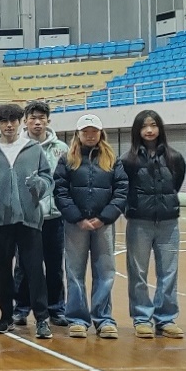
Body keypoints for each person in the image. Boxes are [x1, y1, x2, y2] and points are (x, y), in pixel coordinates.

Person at [0, 104, 53, 338]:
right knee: (3, 271)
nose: (9, 125)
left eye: (13, 121)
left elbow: (47, 178)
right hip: (0, 220)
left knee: (35, 271)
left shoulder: (33, 148)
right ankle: (6, 317)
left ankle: (42, 319)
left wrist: (39, 185)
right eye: (3, 121)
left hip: (30, 220)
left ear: (20, 122)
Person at [55, 115, 128, 339]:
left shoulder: (113, 159)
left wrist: (104, 217)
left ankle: (104, 319)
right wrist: (77, 218)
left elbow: (121, 190)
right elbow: (60, 190)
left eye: (94, 131)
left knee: (105, 272)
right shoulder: (67, 160)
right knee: (75, 272)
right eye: (85, 131)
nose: (89, 135)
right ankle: (77, 319)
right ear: (78, 134)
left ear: (100, 133)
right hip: (75, 225)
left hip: (103, 225)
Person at [122, 110, 186, 339]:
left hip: (169, 224)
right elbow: (123, 188)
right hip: (139, 223)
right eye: (144, 126)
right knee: (138, 272)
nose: (149, 130)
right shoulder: (128, 160)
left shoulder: (175, 157)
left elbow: (176, 184)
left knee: (168, 272)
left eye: (153, 125)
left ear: (160, 128)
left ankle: (166, 319)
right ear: (137, 130)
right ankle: (141, 318)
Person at [13, 101, 70, 327]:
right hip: (26, 218)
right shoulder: (16, 147)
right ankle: (21, 309)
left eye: (41, 118)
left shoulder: (61, 148)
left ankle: (56, 309)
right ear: (25, 121)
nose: (37, 122)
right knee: (24, 266)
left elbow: (66, 181)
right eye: (33, 118)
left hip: (54, 217)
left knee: (55, 266)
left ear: (48, 120)